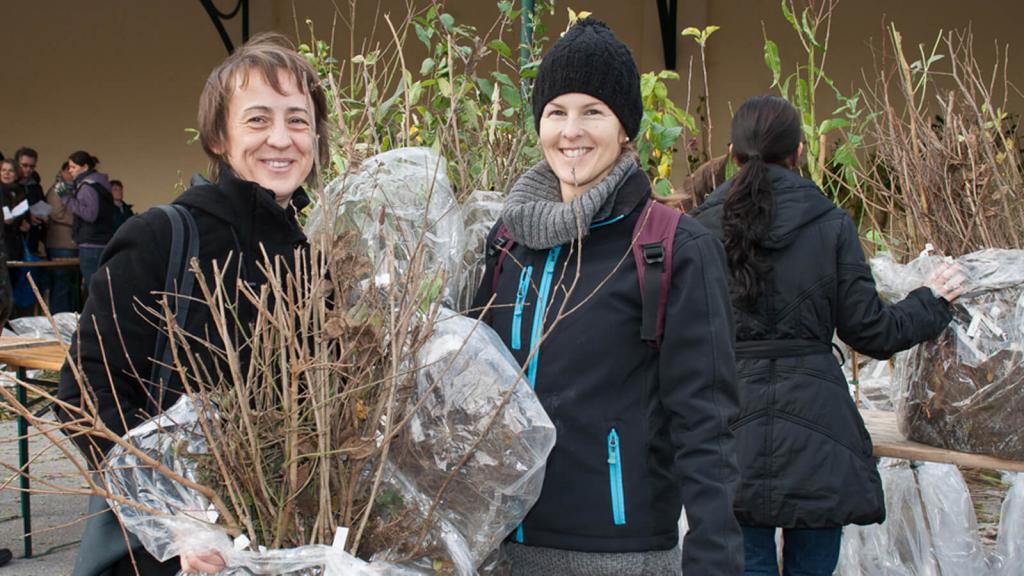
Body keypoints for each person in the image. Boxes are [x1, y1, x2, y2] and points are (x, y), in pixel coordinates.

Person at [470, 18, 742, 575]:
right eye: (556, 112)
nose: (572, 131)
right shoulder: (507, 240)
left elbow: (706, 424)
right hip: (499, 543)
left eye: (593, 111)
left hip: (618, 552)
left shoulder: (671, 246)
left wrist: (715, 562)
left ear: (625, 129)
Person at [56, 31, 328, 576]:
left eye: (298, 120)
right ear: (218, 139)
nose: (281, 138)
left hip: (278, 547)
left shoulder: (310, 261)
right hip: (170, 557)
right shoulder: (162, 237)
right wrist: (174, 517)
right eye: (257, 119)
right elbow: (85, 392)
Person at [689, 95, 965, 575]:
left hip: (728, 428)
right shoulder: (832, 224)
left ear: (731, 153)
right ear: (799, 153)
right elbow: (873, 332)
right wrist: (932, 301)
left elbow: (678, 336)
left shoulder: (695, 231)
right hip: (820, 432)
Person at [63, 150, 115, 296]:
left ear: (84, 167)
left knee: (94, 287)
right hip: (102, 240)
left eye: (73, 167)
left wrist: (67, 199)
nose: (70, 171)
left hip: (91, 242)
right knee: (102, 286)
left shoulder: (87, 186)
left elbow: (90, 214)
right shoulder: (101, 183)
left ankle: (96, 317)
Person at [45, 162, 79, 313]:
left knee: (73, 285)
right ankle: (59, 317)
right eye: (69, 170)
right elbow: (56, 213)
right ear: (62, 171)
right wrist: (80, 220)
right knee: (61, 284)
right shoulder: (58, 188)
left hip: (73, 242)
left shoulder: (75, 189)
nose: (71, 173)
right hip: (60, 243)